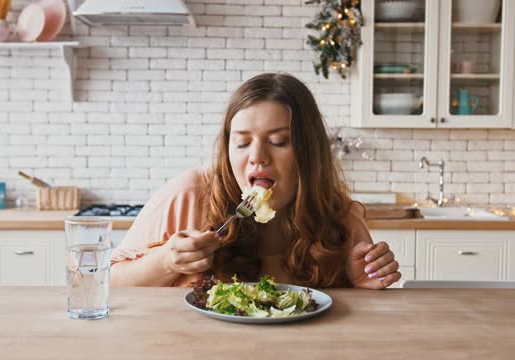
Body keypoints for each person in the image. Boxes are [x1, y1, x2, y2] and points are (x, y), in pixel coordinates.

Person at [110, 73, 401, 289]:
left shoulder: (339, 220)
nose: (257, 157)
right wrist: (165, 262)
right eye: (242, 142)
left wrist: (362, 284)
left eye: (278, 141)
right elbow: (102, 282)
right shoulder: (190, 194)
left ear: (308, 153)